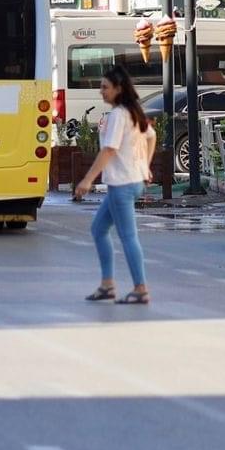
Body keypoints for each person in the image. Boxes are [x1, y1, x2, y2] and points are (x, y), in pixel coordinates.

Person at [73, 64, 154, 305]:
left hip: (123, 184)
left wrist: (87, 180)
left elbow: (109, 150)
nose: (101, 91)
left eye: (105, 87)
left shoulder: (119, 115)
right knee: (99, 229)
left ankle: (140, 288)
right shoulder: (132, 111)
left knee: (128, 236)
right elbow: (151, 136)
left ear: (119, 89)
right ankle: (108, 285)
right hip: (130, 180)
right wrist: (146, 166)